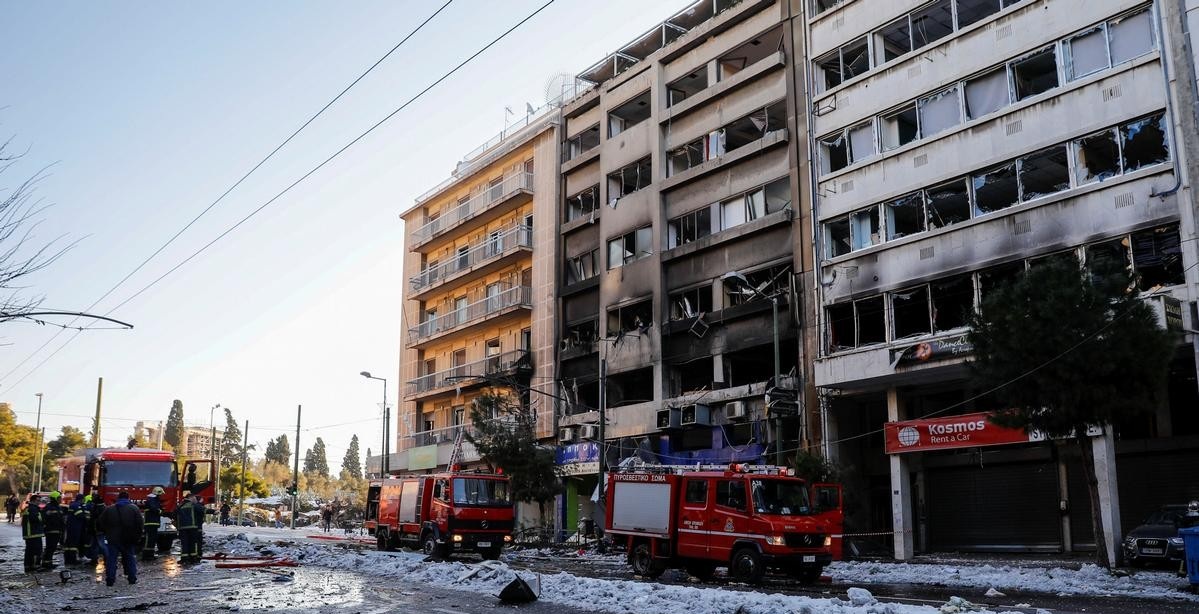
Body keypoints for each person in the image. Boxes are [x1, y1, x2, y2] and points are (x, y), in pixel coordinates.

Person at [98, 491, 142, 586]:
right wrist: (137, 537)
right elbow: (140, 524)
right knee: (130, 558)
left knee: (112, 559)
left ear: (118, 498)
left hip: (113, 539)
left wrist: (107, 532)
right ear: (128, 498)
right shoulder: (134, 508)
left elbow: (101, 522)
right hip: (128, 539)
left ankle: (110, 579)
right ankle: (132, 578)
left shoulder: (109, 509)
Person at [176, 492, 204, 563]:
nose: (195, 499)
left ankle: (184, 558)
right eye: (194, 498)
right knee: (193, 543)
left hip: (182, 528)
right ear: (190, 498)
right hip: (192, 527)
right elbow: (202, 510)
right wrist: (214, 512)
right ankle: (193, 558)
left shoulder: (180, 505)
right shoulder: (193, 505)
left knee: (184, 543)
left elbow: (174, 514)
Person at [41, 491, 65, 570]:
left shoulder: (58, 507)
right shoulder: (49, 507)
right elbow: (45, 519)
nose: (60, 499)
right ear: (55, 498)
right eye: (59, 498)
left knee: (53, 547)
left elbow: (61, 519)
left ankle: (49, 562)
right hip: (51, 530)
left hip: (57, 530)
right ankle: (46, 563)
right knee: (50, 547)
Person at [21, 494, 44, 572]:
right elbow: (37, 519)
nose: (39, 502)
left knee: (29, 551)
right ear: (33, 501)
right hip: (34, 533)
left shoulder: (29, 508)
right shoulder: (33, 509)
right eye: (38, 501)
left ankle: (28, 566)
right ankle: (36, 566)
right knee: (37, 550)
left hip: (29, 534)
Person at [141, 488, 164, 561]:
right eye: (160, 495)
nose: (160, 496)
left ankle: (150, 555)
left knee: (152, 540)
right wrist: (160, 511)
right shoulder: (151, 500)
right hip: (150, 523)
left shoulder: (153, 500)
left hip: (153, 523)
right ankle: (146, 556)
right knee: (149, 540)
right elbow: (154, 509)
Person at [63, 495, 84, 566]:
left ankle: (67, 559)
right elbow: (80, 516)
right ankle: (72, 560)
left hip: (70, 527)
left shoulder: (72, 505)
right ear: (81, 499)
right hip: (75, 527)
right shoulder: (77, 506)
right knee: (73, 544)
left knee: (68, 544)